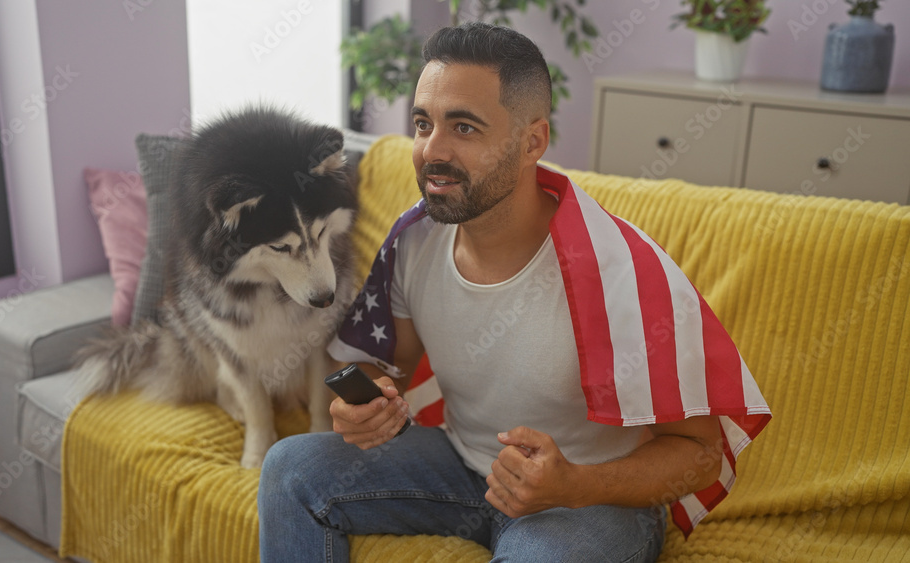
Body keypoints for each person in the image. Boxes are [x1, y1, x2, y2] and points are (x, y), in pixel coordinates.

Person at [258, 22, 770, 562]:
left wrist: (574, 485)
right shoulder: (414, 243)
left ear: (533, 142)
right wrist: (359, 406)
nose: (432, 150)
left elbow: (699, 454)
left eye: (464, 127)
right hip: (461, 468)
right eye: (423, 123)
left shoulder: (620, 270)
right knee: (291, 469)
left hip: (587, 502)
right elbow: (389, 369)